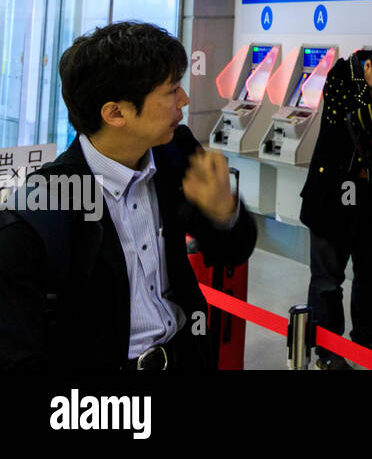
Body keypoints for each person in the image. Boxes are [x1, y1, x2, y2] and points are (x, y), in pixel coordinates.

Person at [0, 22, 256, 370]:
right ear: (115, 113)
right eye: (171, 90)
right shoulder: (43, 207)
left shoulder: (175, 154)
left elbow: (232, 251)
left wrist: (224, 212)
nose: (185, 99)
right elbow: (20, 352)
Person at [299, 36, 372, 369]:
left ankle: (365, 336)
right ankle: (328, 349)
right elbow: (342, 122)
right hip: (332, 194)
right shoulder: (341, 76)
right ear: (369, 66)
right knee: (327, 280)